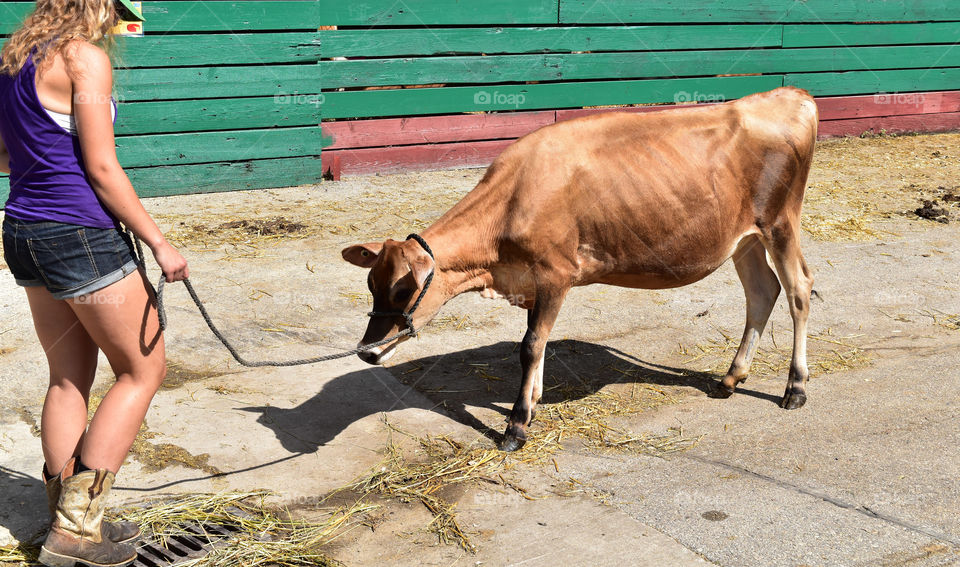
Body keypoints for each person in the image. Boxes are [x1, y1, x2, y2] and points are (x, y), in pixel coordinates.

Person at [0, 1, 188, 565]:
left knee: (67, 378)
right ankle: (79, 532)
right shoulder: (83, 59)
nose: (121, 19)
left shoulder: (12, 61)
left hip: (24, 229)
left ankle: (67, 514)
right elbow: (103, 168)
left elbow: (4, 154)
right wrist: (158, 241)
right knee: (143, 368)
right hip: (79, 235)